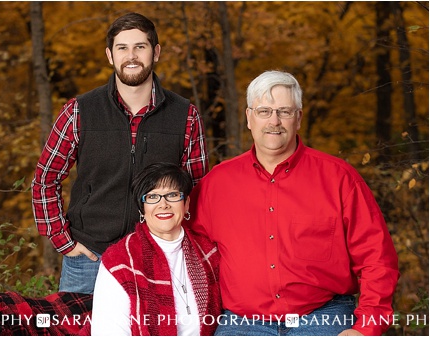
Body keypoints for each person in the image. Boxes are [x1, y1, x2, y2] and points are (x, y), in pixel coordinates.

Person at [190, 70, 399, 336]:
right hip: (243, 321)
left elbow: (377, 258)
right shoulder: (216, 184)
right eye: (264, 111)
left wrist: (365, 327)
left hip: (323, 315)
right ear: (249, 118)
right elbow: (185, 253)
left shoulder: (339, 178)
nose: (274, 121)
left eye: (284, 112)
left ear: (298, 118)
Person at [31, 12, 208, 294]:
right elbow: (45, 180)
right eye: (122, 48)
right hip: (89, 257)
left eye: (140, 46)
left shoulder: (185, 114)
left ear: (156, 52)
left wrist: (185, 246)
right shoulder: (80, 111)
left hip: (159, 256)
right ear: (110, 56)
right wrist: (63, 241)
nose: (132, 56)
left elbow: (198, 189)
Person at [87, 163, 219, 336]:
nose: (163, 204)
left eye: (172, 195)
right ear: (142, 208)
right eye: (152, 197)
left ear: (186, 203)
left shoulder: (208, 252)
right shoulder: (120, 261)